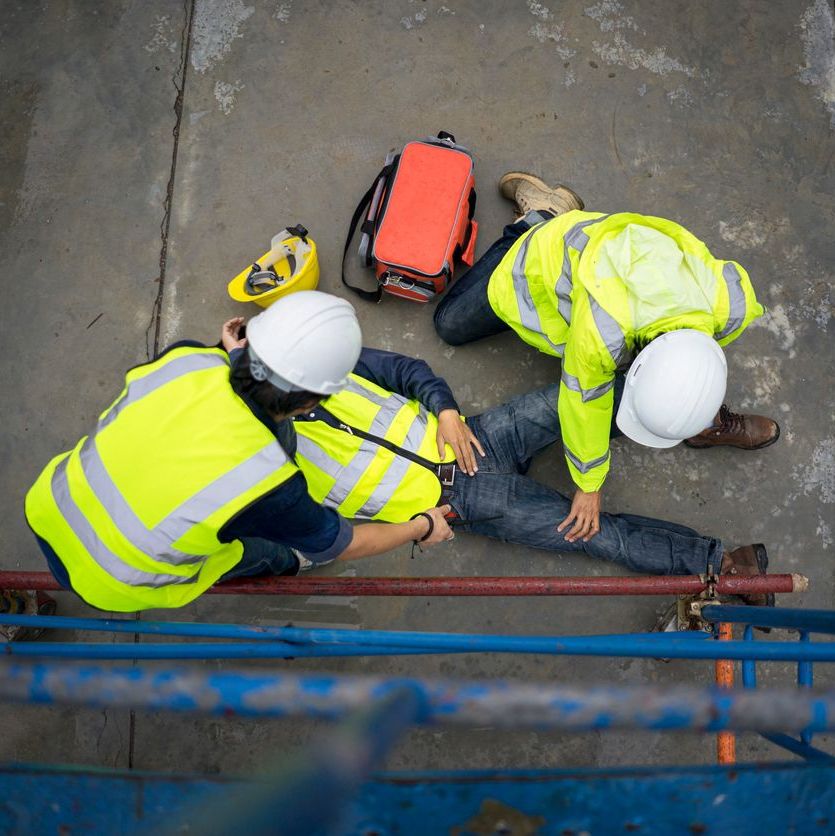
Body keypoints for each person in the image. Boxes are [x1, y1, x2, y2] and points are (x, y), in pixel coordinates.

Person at [24, 291, 454, 613]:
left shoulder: (187, 358)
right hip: (115, 578)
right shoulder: (269, 481)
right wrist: (421, 526)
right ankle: (290, 561)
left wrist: (234, 358)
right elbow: (346, 544)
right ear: (309, 404)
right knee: (262, 548)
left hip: (51, 502)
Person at [433, 172, 780, 544]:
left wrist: (693, 399)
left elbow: (696, 363)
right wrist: (589, 484)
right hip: (539, 263)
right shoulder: (601, 334)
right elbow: (584, 405)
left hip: (608, 266)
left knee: (668, 387)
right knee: (450, 325)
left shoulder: (731, 304)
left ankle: (703, 422)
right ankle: (541, 216)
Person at [286, 340, 771, 604]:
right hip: (462, 504)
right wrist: (421, 527)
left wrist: (446, 410)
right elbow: (327, 542)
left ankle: (695, 419)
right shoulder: (265, 476)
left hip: (477, 435)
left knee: (582, 401)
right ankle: (724, 564)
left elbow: (405, 371)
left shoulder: (306, 361)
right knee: (600, 536)